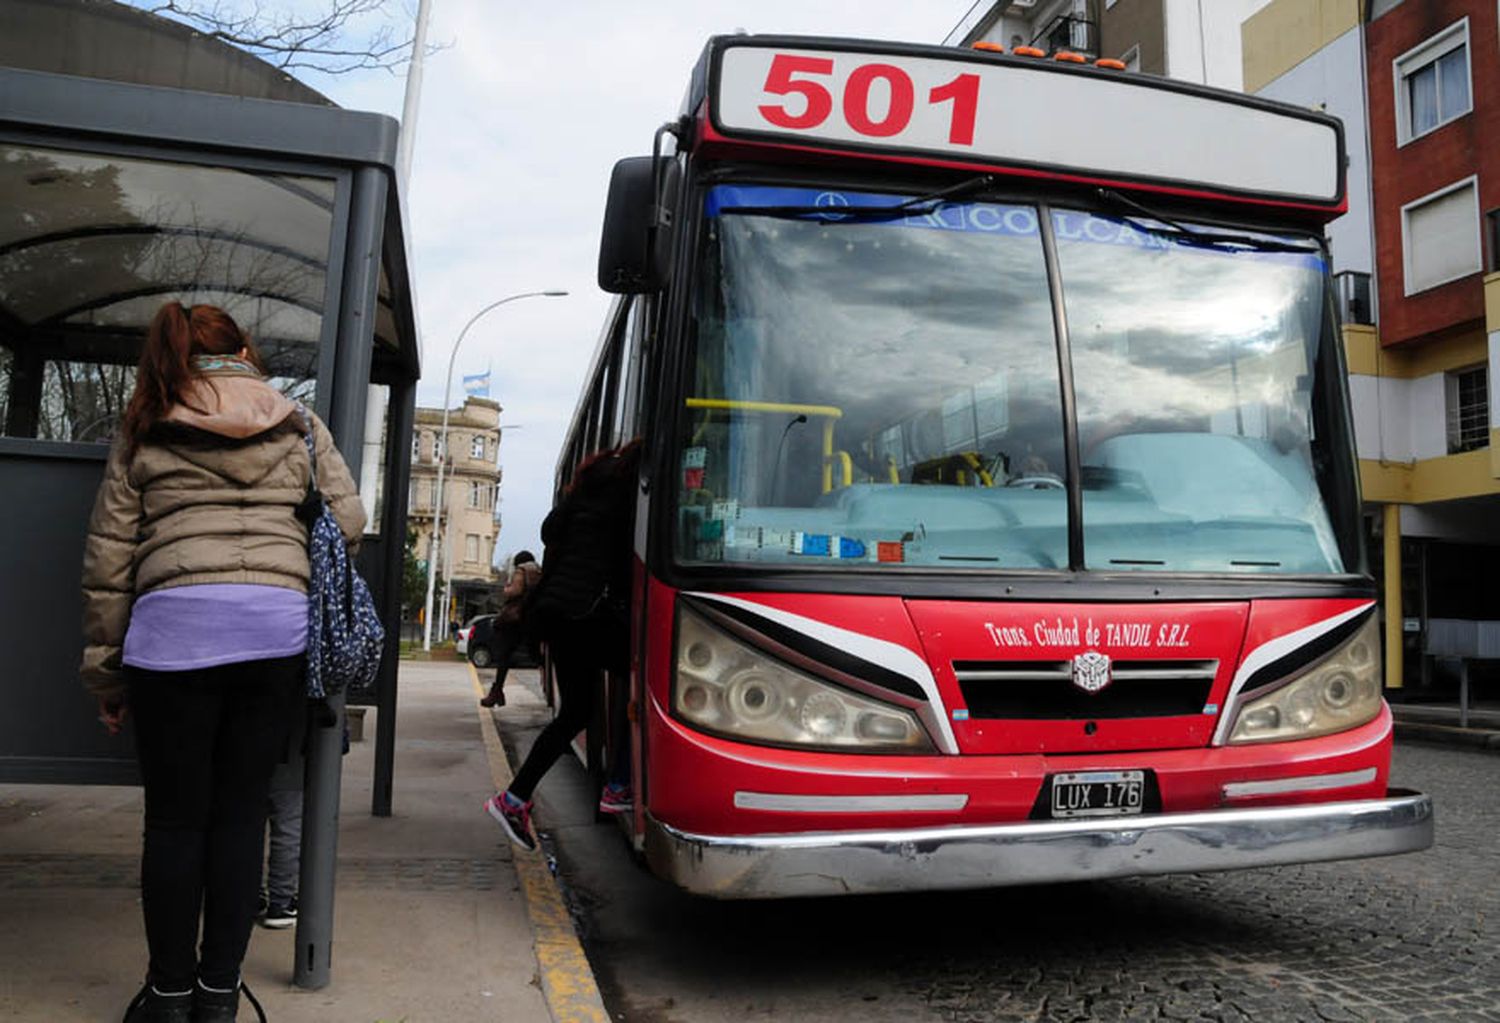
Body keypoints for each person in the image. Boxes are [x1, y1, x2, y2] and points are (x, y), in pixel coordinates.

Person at [81, 301, 364, 1023]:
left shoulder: (146, 420)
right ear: (242, 349)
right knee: (242, 816)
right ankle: (218, 997)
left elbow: (110, 557)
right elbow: (350, 520)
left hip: (170, 637)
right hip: (274, 633)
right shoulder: (297, 421)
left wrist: (107, 674)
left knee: (175, 823)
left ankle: (168, 996)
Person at [485, 441, 640, 850]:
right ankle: (620, 783)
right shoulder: (623, 503)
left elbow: (549, 531)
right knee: (649, 678)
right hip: (584, 613)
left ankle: (513, 799)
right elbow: (624, 568)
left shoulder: (580, 499)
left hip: (556, 614)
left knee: (574, 713)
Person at [478, 550, 542, 707]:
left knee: (504, 656)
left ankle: (497, 692)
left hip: (516, 619)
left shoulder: (521, 571)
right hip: (532, 617)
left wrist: (506, 589)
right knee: (534, 654)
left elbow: (515, 591)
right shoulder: (539, 572)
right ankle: (497, 692)